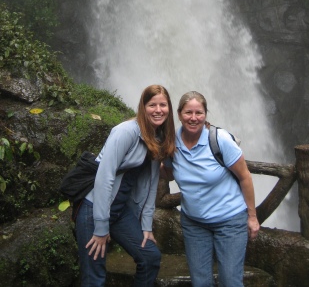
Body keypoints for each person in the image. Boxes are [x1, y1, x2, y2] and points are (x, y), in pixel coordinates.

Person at [75, 85, 176, 287]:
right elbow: (104, 177)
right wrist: (101, 227)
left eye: (163, 105)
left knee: (150, 257)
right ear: (143, 107)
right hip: (93, 209)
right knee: (94, 277)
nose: (158, 110)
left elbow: (152, 182)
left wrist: (146, 225)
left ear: (169, 108)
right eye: (152, 105)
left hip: (119, 211)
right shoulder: (125, 132)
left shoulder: (158, 138)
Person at [162, 91, 260, 287]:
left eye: (199, 112)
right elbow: (170, 172)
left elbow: (245, 177)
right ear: (179, 114)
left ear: (206, 114)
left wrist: (252, 216)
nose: (193, 118)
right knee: (200, 282)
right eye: (188, 112)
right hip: (194, 223)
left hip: (230, 221)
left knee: (230, 281)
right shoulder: (171, 142)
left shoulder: (219, 139)